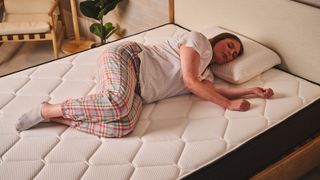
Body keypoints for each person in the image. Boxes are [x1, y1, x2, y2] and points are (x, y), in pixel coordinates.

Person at [16, 31, 274, 137]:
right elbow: (190, 82)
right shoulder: (199, 42)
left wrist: (251, 90)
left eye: (234, 55)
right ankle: (46, 109)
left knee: (123, 127)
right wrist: (228, 104)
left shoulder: (206, 73)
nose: (229, 54)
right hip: (128, 60)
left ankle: (58, 118)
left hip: (139, 92)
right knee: (117, 105)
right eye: (230, 46)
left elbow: (212, 90)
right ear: (219, 39)